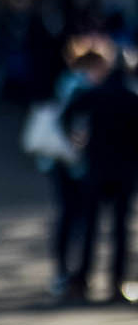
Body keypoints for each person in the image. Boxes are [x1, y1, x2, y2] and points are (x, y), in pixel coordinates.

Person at [58, 44, 138, 304]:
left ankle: (81, 281)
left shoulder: (93, 94)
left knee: (90, 227)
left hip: (95, 168)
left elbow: (66, 115)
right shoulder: (130, 97)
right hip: (124, 171)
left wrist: (76, 138)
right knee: (120, 231)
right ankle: (117, 283)